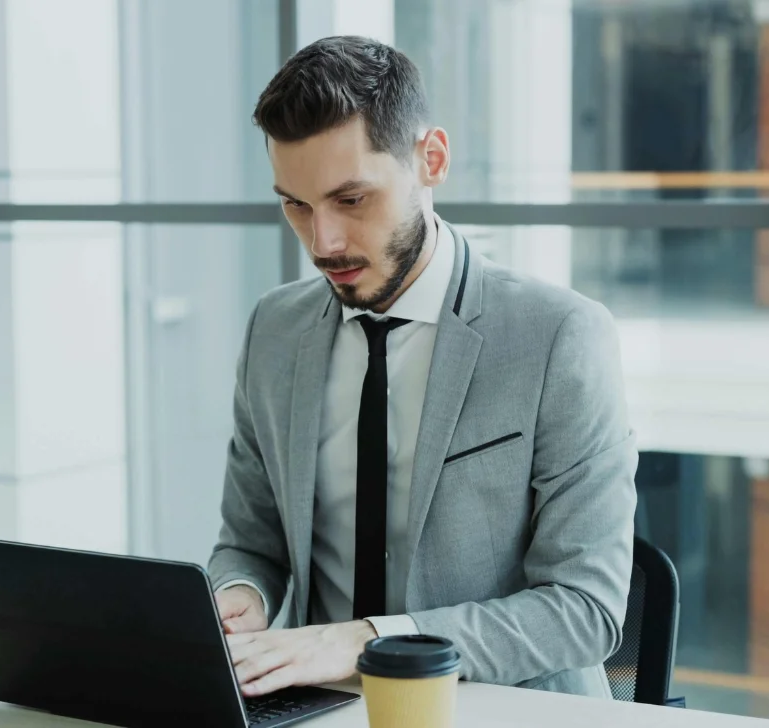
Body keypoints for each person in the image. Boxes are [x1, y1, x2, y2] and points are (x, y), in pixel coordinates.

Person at [209, 35, 637, 699]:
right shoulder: (274, 329)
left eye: (351, 200)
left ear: (430, 160)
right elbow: (250, 540)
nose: (323, 243)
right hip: (314, 707)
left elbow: (585, 610)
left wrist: (365, 639)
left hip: (504, 706)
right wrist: (240, 596)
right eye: (296, 204)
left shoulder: (559, 338)